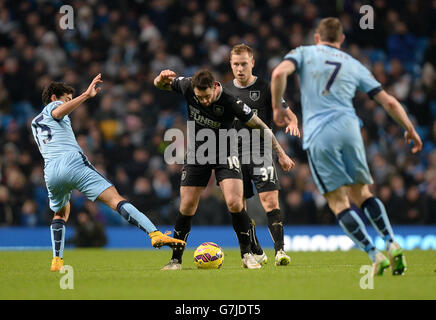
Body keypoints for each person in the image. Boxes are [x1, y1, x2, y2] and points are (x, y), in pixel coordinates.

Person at [271, 17, 423, 276]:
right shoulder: (354, 64)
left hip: (320, 135)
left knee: (338, 201)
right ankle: (391, 241)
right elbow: (389, 102)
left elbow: (278, 73)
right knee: (363, 193)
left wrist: (276, 107)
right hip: (352, 131)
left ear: (317, 38)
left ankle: (374, 254)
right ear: (341, 40)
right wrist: (409, 128)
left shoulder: (304, 52)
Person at [31, 74, 186, 272]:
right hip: (71, 161)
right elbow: (57, 112)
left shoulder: (35, 122)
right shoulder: (52, 107)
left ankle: (56, 261)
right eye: (67, 99)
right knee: (115, 199)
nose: (69, 104)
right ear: (54, 97)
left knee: (60, 212)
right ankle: (154, 233)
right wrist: (86, 96)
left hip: (51, 171)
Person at [154, 69, 295, 270]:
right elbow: (160, 85)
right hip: (198, 153)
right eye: (199, 97)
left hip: (225, 152)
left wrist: (280, 153)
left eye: (206, 96)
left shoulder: (231, 101)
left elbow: (261, 126)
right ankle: (175, 260)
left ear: (214, 87)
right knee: (186, 206)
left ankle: (247, 255)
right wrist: (159, 79)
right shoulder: (187, 85)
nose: (202, 101)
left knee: (235, 202)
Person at [224, 44, 299, 266]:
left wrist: (293, 122)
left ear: (252, 63)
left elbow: (287, 112)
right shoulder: (225, 91)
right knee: (239, 207)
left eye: (244, 64)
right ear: (231, 64)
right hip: (234, 156)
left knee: (269, 200)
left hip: (261, 152)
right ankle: (255, 250)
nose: (240, 68)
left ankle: (280, 252)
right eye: (236, 64)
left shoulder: (266, 88)